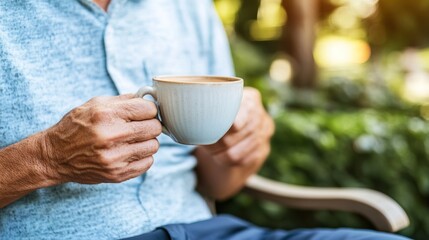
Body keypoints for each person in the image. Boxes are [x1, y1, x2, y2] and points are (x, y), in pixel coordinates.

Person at [0, 0, 409, 239]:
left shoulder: (188, 7)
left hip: (201, 230)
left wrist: (243, 148)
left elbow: (218, 184)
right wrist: (45, 159)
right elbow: (43, 160)